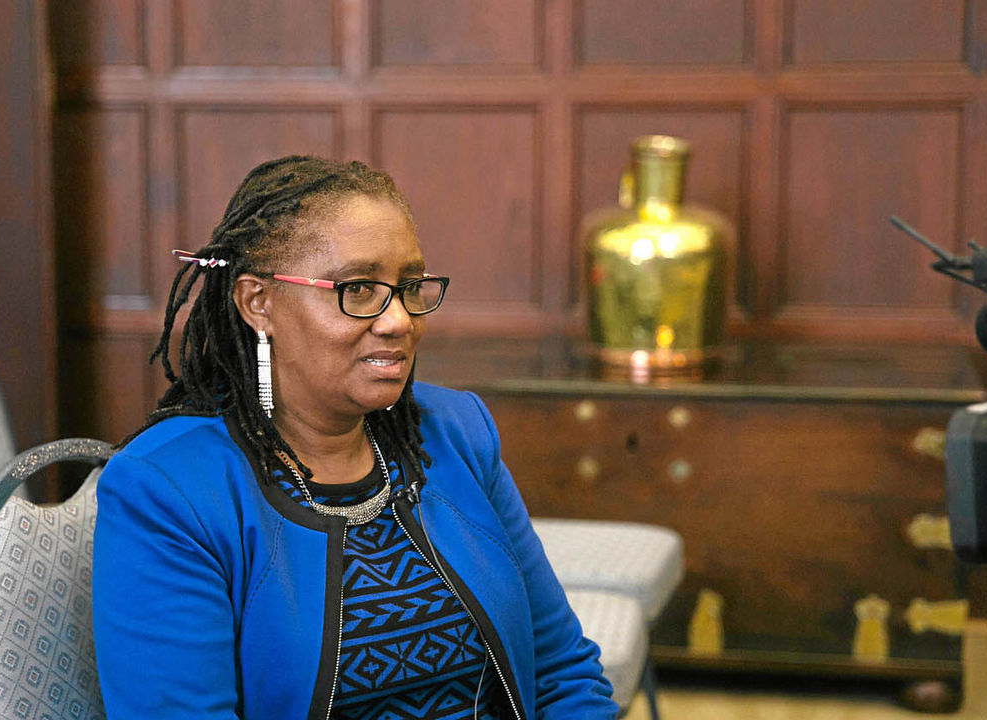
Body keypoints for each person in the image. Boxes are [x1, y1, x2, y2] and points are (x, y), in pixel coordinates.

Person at [93, 155, 619, 719]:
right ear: (257, 302)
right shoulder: (169, 489)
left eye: (409, 286)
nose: (399, 320)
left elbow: (561, 670)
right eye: (359, 288)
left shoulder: (457, 432)